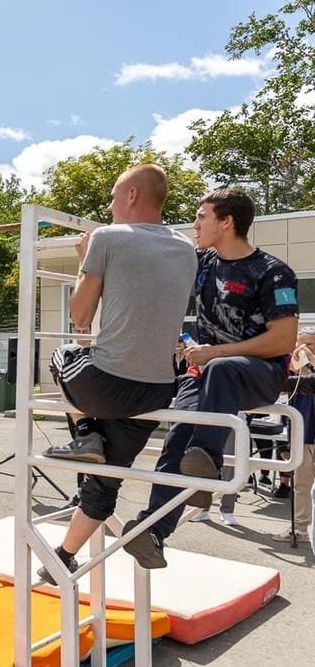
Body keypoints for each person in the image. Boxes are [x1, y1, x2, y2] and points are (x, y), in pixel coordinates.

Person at [33, 165, 197, 583]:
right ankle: (65, 557)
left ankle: (84, 431)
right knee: (106, 476)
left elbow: (80, 316)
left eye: (112, 196)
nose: (108, 206)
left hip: (107, 382)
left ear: (131, 196)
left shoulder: (106, 237)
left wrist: (84, 260)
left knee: (63, 353)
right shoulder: (186, 248)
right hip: (157, 389)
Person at [123, 188, 298, 570]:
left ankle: (204, 465)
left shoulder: (273, 271)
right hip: (202, 371)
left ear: (227, 221)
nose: (195, 224)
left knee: (219, 372)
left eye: (202, 216)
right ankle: (154, 530)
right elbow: (151, 265)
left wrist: (214, 352)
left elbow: (284, 339)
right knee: (175, 443)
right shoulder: (200, 261)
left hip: (258, 373)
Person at [272, 328, 315, 544]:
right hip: (303, 434)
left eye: (310, 345)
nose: (305, 349)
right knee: (301, 486)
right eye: (301, 344)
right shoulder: (293, 372)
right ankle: (299, 529)